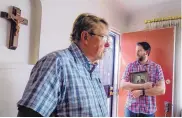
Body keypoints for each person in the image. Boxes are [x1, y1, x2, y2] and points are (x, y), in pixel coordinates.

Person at [17, 13, 110, 117]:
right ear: (85, 37)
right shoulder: (57, 63)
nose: (108, 44)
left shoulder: (94, 70)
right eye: (104, 38)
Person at [120, 42, 166, 117]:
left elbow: (161, 90)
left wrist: (142, 92)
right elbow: (122, 85)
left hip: (148, 110)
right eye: (136, 50)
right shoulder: (130, 66)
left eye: (139, 50)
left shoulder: (156, 67)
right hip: (130, 109)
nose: (136, 53)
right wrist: (144, 86)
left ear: (146, 52)